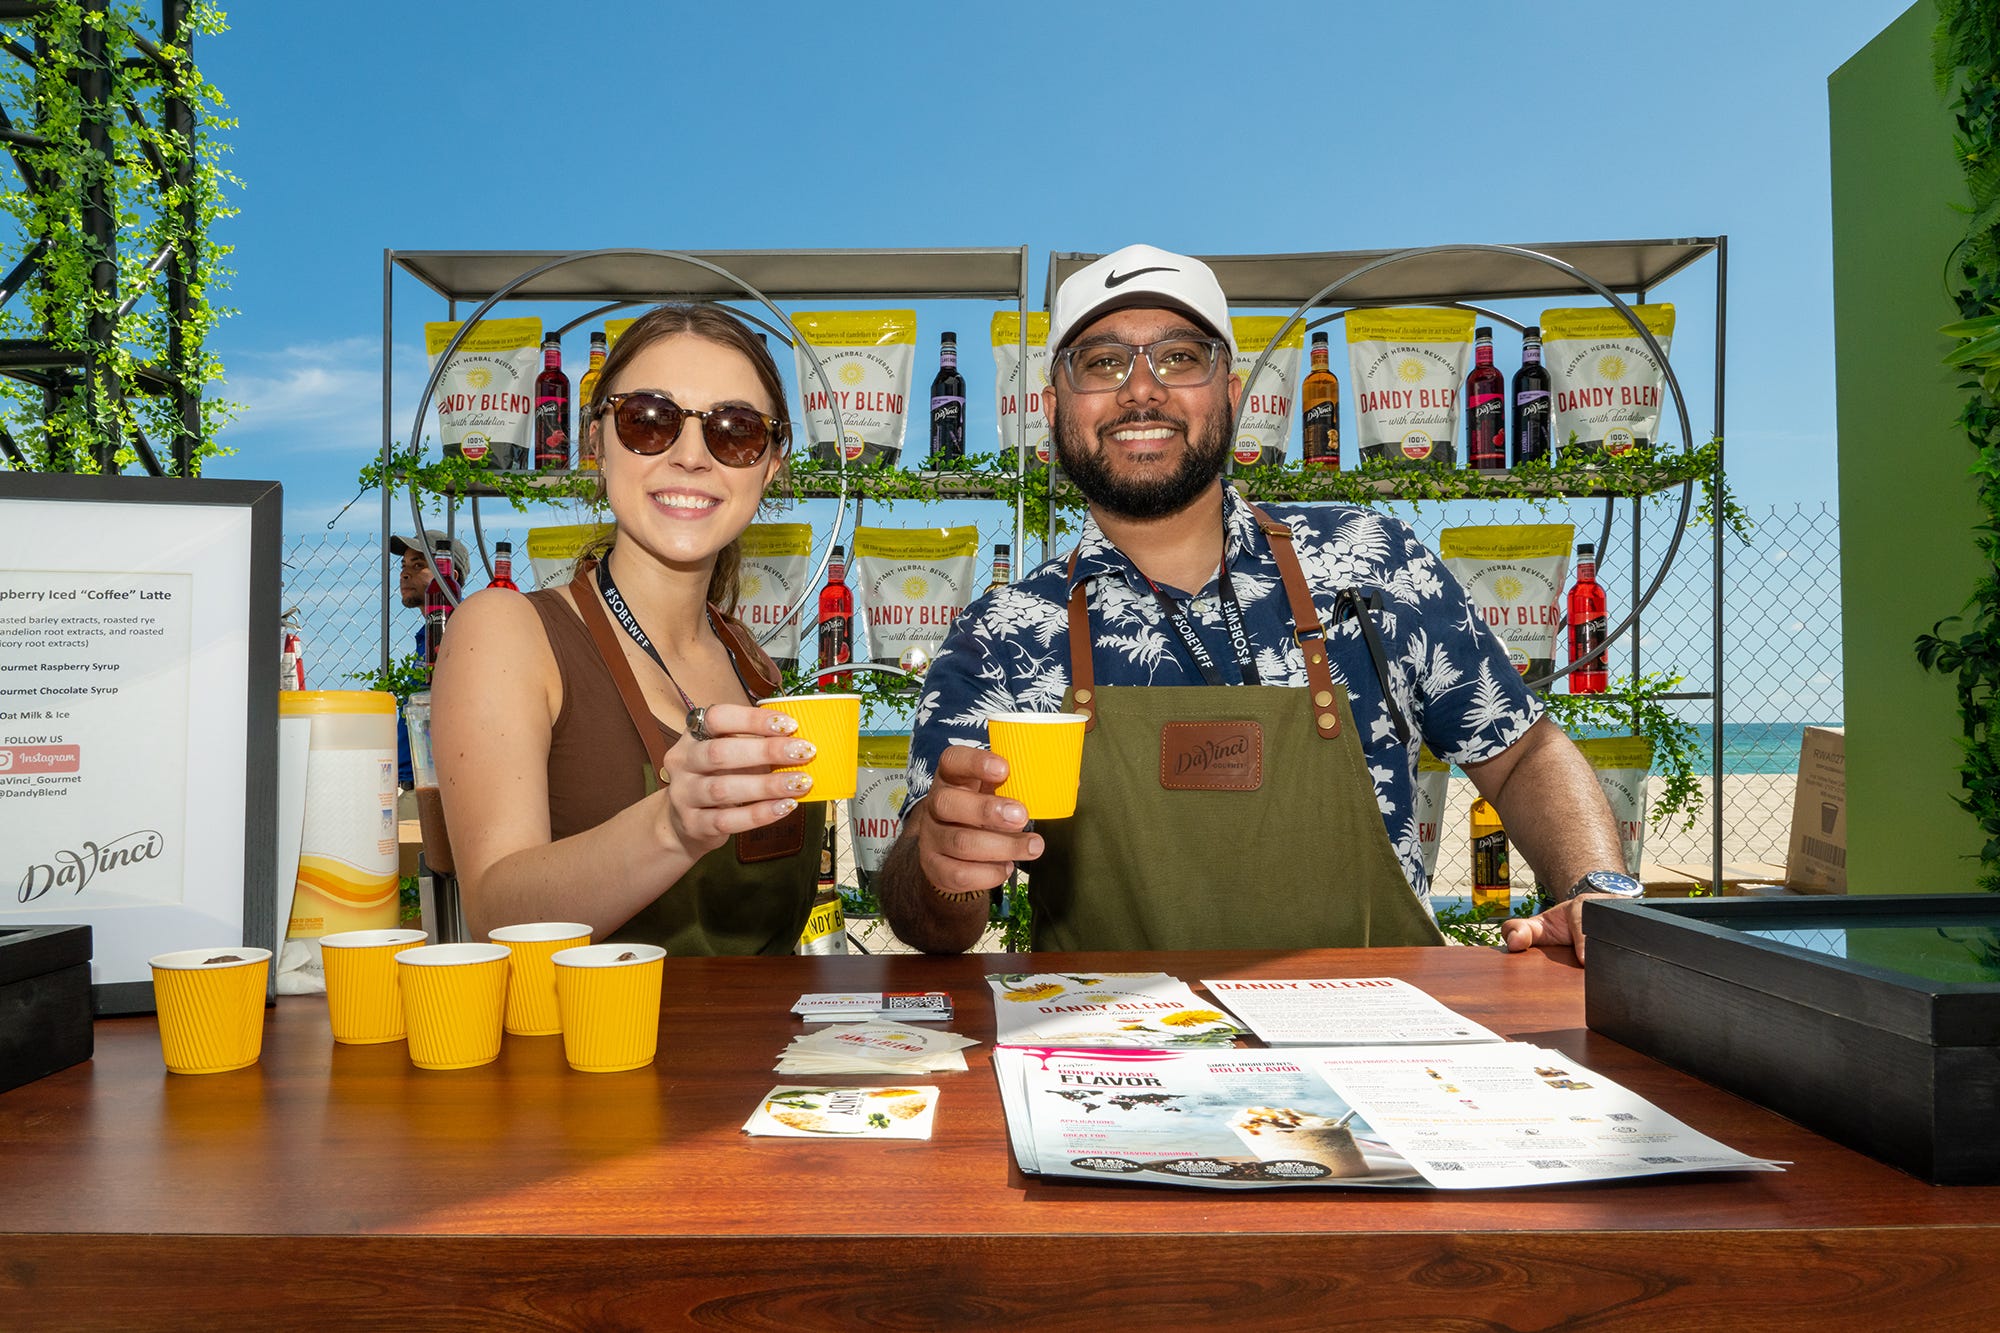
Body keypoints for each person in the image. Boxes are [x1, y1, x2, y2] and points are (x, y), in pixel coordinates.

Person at [877, 245, 1633, 962]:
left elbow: (1525, 752)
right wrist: (942, 865)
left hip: (1377, 1039)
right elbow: (927, 915)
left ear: (1232, 392)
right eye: (1103, 363)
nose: (1142, 387)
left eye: (1179, 357)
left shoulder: (1372, 561)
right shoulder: (1003, 634)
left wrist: (1597, 889)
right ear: (1053, 408)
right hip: (1110, 1054)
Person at [432, 304, 821, 952]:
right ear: (596, 440)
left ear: (770, 465)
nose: (692, 456)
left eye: (734, 429)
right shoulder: (506, 633)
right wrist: (670, 826)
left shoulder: (753, 667)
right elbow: (494, 910)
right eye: (649, 420)